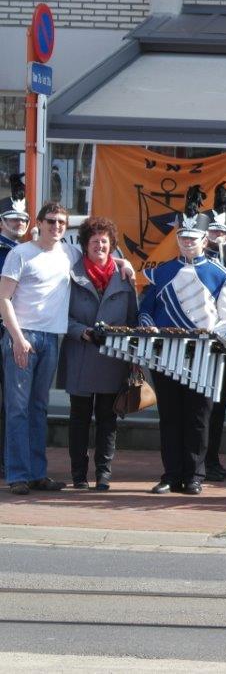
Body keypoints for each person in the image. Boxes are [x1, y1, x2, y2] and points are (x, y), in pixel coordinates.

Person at [138, 186, 226, 496]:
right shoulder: (161, 272)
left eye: (192, 239)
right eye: (183, 238)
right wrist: (148, 329)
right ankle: (171, 474)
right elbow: (146, 310)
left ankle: (195, 475)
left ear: (204, 240)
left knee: (198, 417)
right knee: (170, 417)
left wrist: (213, 336)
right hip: (166, 353)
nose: (187, 242)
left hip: (203, 355)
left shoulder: (220, 274)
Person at [1, 201, 76, 495]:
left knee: (38, 408)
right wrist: (17, 338)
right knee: (18, 409)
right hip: (23, 338)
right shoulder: (20, 253)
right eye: (51, 221)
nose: (56, 226)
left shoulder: (69, 253)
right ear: (40, 223)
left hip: (51, 338)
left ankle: (37, 473)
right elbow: (3, 298)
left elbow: (103, 255)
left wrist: (123, 265)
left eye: (61, 222)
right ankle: (18, 475)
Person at [64, 217, 138, 491]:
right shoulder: (71, 275)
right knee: (79, 418)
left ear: (112, 245)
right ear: (85, 245)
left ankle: (104, 474)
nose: (100, 246)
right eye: (94, 241)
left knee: (108, 419)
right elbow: (59, 315)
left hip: (113, 357)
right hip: (81, 354)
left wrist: (132, 354)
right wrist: (81, 331)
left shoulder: (124, 276)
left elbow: (133, 318)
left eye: (104, 241)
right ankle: (78, 475)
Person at [202, 183, 226, 483]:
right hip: (202, 342)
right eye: (213, 232)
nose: (217, 237)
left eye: (222, 233)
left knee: (220, 403)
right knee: (202, 406)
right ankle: (199, 460)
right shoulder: (201, 264)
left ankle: (212, 459)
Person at [0, 172, 31, 482]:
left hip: (18, 331)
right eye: (13, 218)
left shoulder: (28, 251)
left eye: (22, 219)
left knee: (14, 401)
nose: (19, 223)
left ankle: (8, 460)